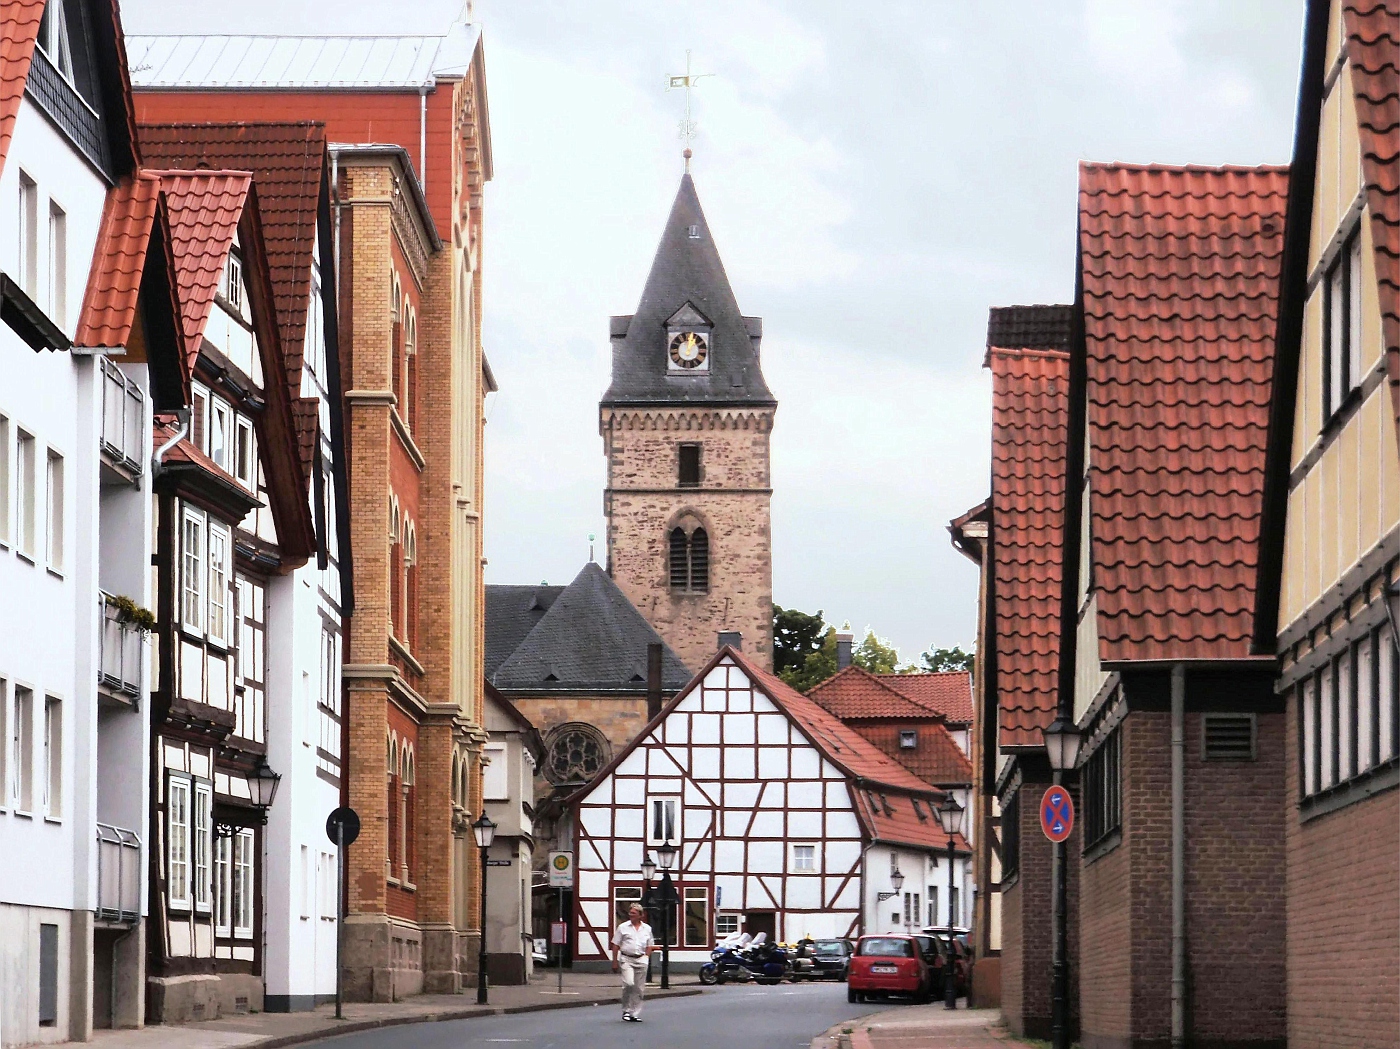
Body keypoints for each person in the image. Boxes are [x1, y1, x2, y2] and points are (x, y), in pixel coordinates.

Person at [611, 903, 656, 1022]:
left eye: (634, 913)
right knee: (629, 984)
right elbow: (615, 945)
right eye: (630, 913)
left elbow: (650, 945)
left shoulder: (647, 928)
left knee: (639, 988)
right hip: (626, 958)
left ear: (641, 915)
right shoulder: (623, 927)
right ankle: (626, 1010)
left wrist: (646, 957)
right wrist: (614, 962)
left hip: (641, 959)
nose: (631, 915)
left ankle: (634, 1013)